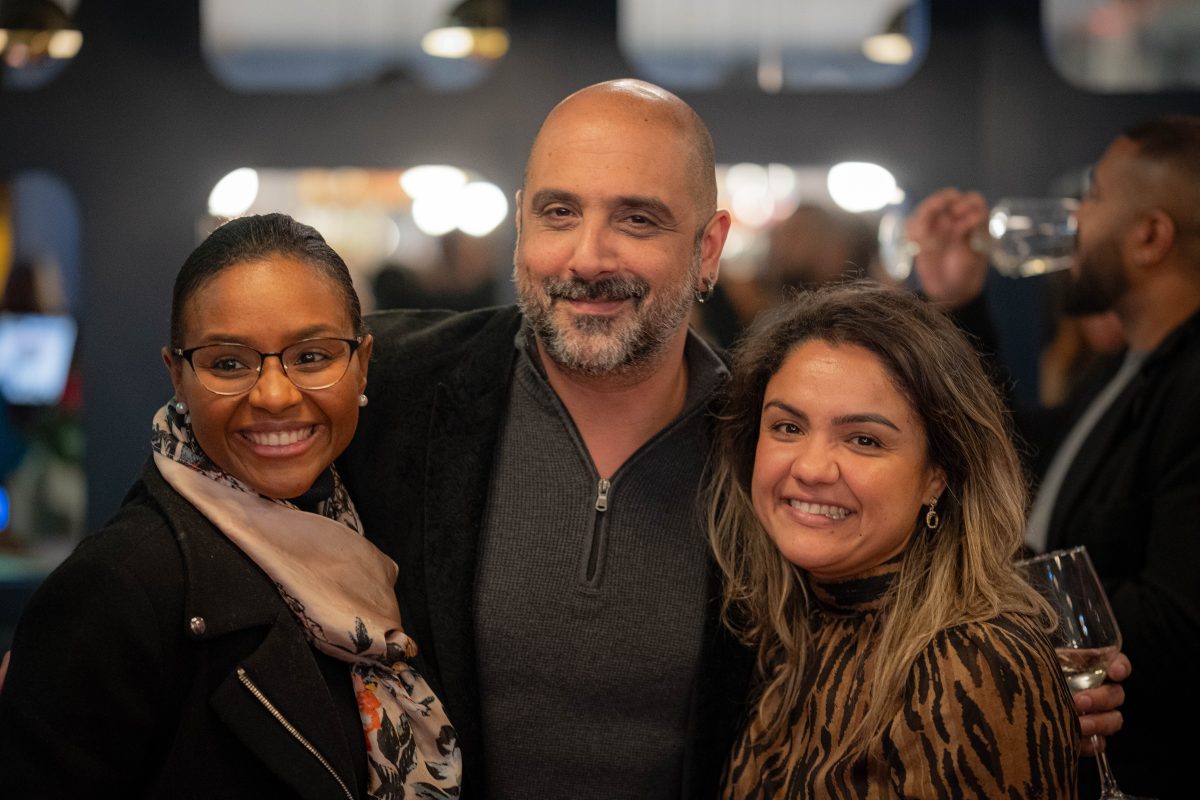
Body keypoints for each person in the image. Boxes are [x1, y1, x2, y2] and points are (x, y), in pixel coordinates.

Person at [337, 78, 1127, 799]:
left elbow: (945, 562)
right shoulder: (388, 382)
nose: (588, 256)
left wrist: (1034, 675)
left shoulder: (771, 439)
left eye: (637, 218)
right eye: (559, 212)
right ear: (522, 223)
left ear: (708, 248)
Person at [0, 213, 462, 799]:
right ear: (178, 376)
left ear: (362, 364)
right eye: (228, 363)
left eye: (312, 356)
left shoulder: (382, 528)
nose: (274, 395)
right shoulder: (114, 589)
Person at [905, 115, 1200, 798]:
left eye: (1092, 197)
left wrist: (984, 616)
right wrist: (955, 300)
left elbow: (1176, 621)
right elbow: (1010, 448)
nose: (1073, 219)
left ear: (1150, 237)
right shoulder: (1127, 365)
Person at [710, 282, 1080, 797]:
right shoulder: (783, 623)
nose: (811, 468)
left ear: (938, 475)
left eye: (864, 440)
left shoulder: (971, 663)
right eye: (788, 427)